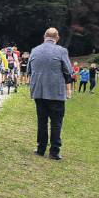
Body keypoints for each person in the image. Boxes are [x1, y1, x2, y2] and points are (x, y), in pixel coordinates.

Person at [27, 27, 72, 160]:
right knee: (56, 122)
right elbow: (68, 71)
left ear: (44, 37)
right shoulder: (62, 51)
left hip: (38, 92)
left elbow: (29, 70)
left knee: (42, 121)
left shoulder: (34, 50)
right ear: (57, 38)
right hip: (56, 93)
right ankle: (54, 151)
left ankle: (41, 149)